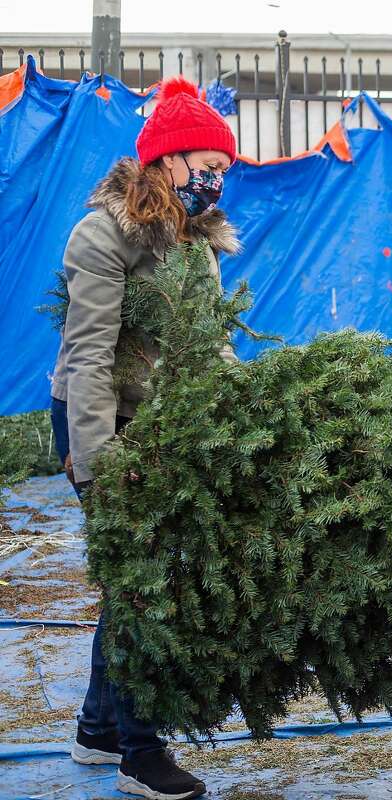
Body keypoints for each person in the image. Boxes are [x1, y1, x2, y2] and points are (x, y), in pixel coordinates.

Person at [50, 75, 240, 800]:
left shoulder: (198, 243)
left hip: (163, 418)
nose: (217, 182)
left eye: (225, 170)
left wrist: (237, 410)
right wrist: (97, 465)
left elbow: (208, 342)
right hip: (101, 418)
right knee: (140, 586)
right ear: (166, 162)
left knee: (139, 578)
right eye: (208, 166)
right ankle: (140, 752)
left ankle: (97, 731)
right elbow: (90, 356)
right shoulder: (103, 234)